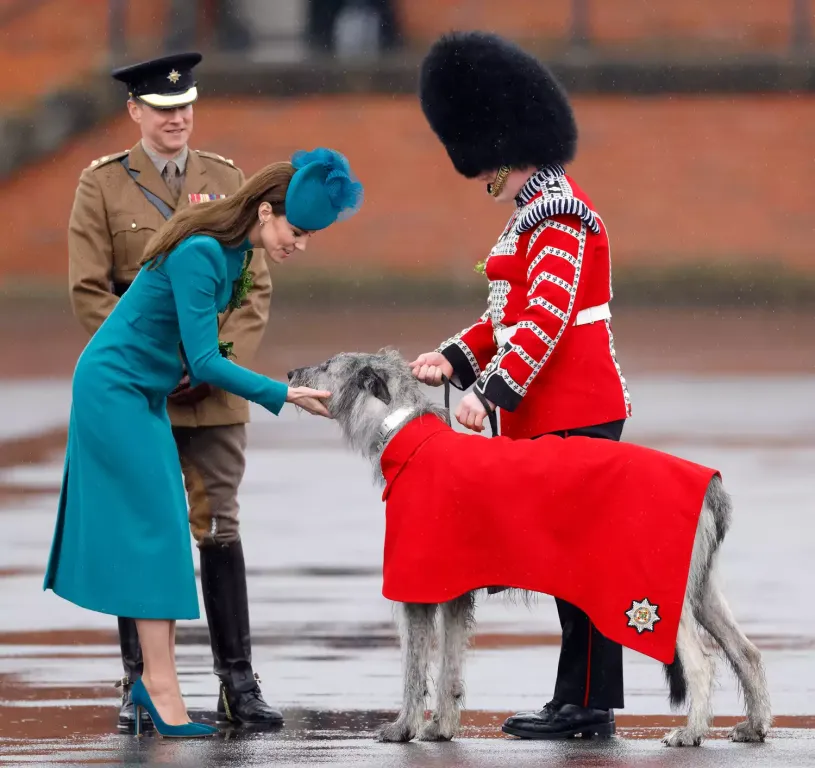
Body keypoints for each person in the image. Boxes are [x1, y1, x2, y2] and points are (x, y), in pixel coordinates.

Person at [45, 147, 363, 737]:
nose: (300, 244)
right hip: (114, 390)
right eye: (296, 231)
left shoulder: (234, 249)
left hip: (141, 391)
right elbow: (205, 361)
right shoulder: (201, 253)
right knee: (159, 533)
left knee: (162, 531)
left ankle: (156, 685)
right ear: (265, 212)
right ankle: (157, 687)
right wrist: (283, 394)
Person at [410, 31, 632, 740]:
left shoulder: (559, 214)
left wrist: (489, 393)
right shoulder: (528, 217)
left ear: (506, 151)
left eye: (486, 172)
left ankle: (589, 705)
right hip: (549, 408)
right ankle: (575, 699)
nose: (486, 184)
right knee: (568, 566)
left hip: (578, 406)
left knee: (584, 566)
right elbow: (502, 316)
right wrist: (451, 357)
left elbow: (545, 321)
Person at [67, 51, 287, 732]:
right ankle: (139, 684)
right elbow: (89, 290)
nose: (176, 119)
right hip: (141, 390)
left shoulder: (226, 180)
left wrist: (215, 359)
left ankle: (237, 683)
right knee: (139, 527)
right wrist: (160, 362)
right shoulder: (101, 186)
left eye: (185, 107)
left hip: (212, 386)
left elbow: (254, 290)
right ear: (135, 112)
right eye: (162, 110)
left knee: (218, 523)